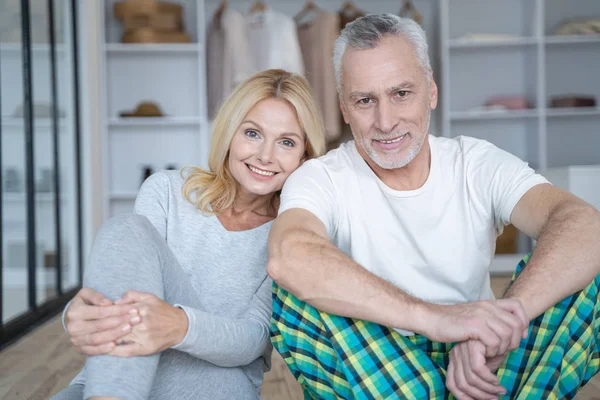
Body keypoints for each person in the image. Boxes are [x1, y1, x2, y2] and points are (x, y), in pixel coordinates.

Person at [267, 14, 600, 400]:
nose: (385, 121)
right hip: (377, 358)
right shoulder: (322, 177)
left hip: (486, 355)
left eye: (401, 94)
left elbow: (583, 225)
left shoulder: (473, 162)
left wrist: (496, 328)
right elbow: (288, 257)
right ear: (344, 108)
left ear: (431, 92)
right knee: (294, 288)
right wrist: (437, 321)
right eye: (365, 101)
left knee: (583, 265)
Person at [52, 69, 326, 400]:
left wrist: (178, 326)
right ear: (229, 134)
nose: (265, 155)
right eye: (252, 133)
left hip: (215, 384)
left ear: (304, 155)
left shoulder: (293, 233)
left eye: (286, 142)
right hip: (123, 377)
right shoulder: (167, 191)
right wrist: (79, 315)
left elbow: (254, 339)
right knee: (124, 228)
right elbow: (124, 284)